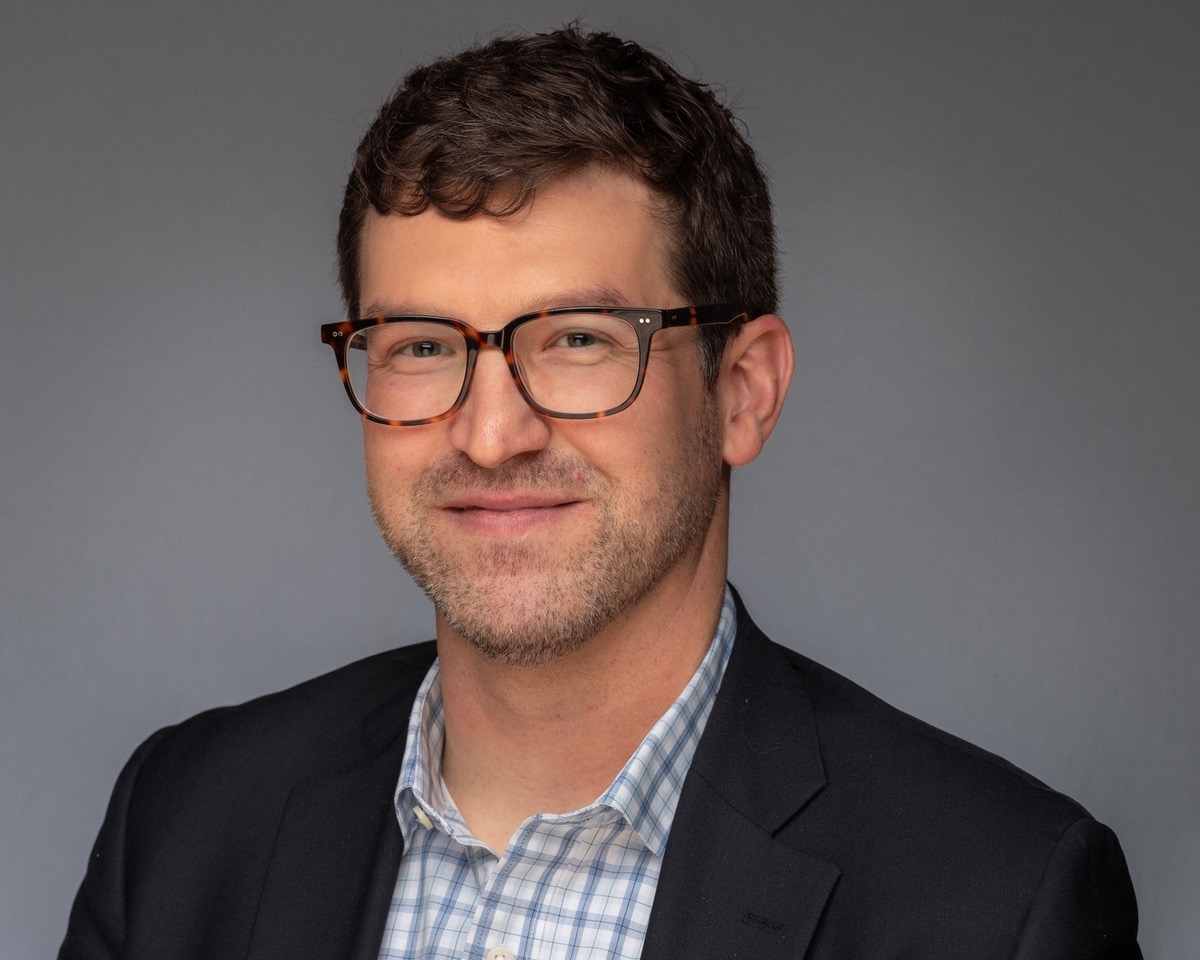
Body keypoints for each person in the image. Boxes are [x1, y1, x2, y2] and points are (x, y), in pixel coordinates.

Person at [60, 26, 1141, 960]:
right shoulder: (187, 823)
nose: (491, 435)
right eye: (424, 345)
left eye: (578, 340)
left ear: (744, 393)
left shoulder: (1000, 904)